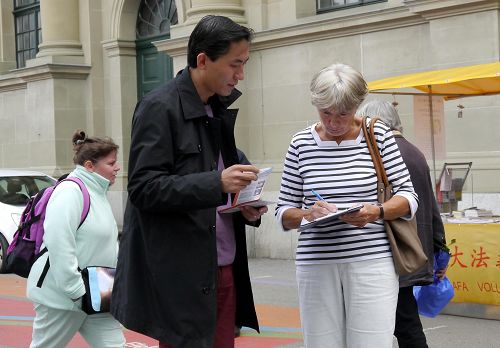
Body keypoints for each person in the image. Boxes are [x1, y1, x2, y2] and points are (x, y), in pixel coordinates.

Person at [111, 15, 266, 348]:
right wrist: (217, 184)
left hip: (222, 266)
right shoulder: (158, 107)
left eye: (244, 64)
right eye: (234, 64)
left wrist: (243, 204)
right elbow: (143, 188)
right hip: (183, 273)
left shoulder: (217, 109)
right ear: (202, 60)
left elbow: (217, 177)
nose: (241, 74)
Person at [275, 63, 418, 348]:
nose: (334, 122)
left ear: (357, 105)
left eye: (343, 113)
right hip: (316, 265)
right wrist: (307, 213)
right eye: (326, 112)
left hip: (372, 262)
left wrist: (375, 211)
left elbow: (409, 197)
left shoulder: (378, 135)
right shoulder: (301, 143)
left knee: (372, 343)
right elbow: (283, 212)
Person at [356, 100, 448, 348]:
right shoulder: (414, 151)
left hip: (393, 251)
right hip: (413, 249)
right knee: (404, 322)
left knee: (402, 326)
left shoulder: (384, 153)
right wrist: (441, 248)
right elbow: (431, 208)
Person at [27, 130, 124, 347]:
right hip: (63, 298)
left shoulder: (97, 193)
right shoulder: (70, 191)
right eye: (111, 163)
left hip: (97, 295)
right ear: (90, 166)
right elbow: (59, 242)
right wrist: (75, 291)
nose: (117, 168)